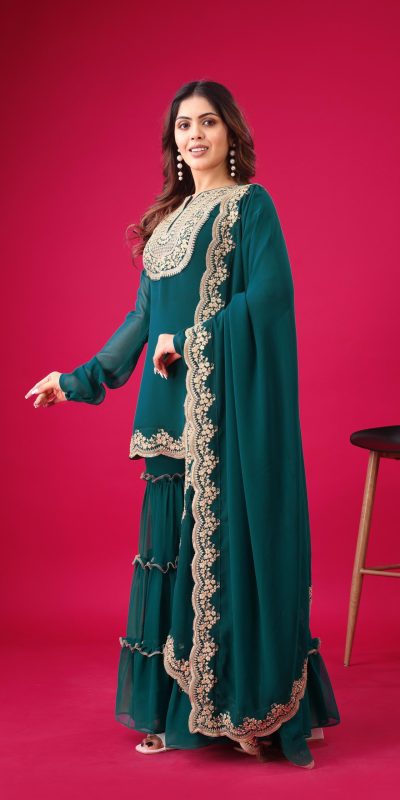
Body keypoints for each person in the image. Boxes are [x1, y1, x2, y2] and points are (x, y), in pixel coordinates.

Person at [24, 80, 340, 769]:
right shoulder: (166, 223)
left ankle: (244, 704)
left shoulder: (250, 206)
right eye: (183, 125)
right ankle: (181, 712)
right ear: (172, 142)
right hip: (169, 417)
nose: (194, 135)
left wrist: (194, 339)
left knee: (227, 554)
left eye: (208, 122)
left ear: (231, 133)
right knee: (175, 561)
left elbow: (271, 298)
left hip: (226, 412)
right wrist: (76, 379)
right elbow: (142, 318)